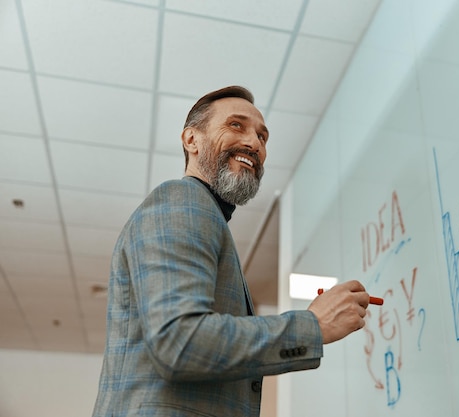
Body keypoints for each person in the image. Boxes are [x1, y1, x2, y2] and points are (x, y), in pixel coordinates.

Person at [92, 85, 372, 417]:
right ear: (191, 140)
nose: (254, 143)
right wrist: (313, 326)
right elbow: (179, 342)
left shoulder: (208, 217)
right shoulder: (183, 199)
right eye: (236, 125)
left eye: (263, 137)